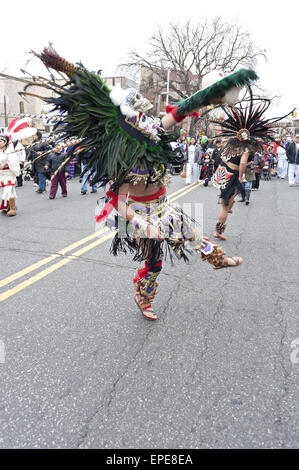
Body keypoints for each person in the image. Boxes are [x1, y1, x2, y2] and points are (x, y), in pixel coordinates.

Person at [25, 48, 263, 319]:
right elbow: (122, 207)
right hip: (136, 215)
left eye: (147, 120)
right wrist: (143, 224)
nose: (149, 123)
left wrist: (214, 94)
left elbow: (180, 111)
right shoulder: (124, 162)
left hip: (162, 207)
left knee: (192, 235)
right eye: (140, 118)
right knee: (154, 262)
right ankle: (143, 296)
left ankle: (218, 260)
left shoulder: (153, 135)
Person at [208, 96, 292, 241]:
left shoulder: (232, 140)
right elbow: (242, 163)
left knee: (228, 201)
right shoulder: (247, 146)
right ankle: (218, 231)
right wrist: (240, 177)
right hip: (231, 174)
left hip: (222, 170)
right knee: (225, 207)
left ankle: (230, 204)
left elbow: (220, 130)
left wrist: (221, 118)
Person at [0, 135, 20, 216]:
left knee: (8, 191)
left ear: (5, 142)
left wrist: (6, 163)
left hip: (9, 173)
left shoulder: (10, 151)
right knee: (5, 191)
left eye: (0, 141)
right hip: (1, 174)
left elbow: (14, 161)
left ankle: (12, 208)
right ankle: (8, 207)